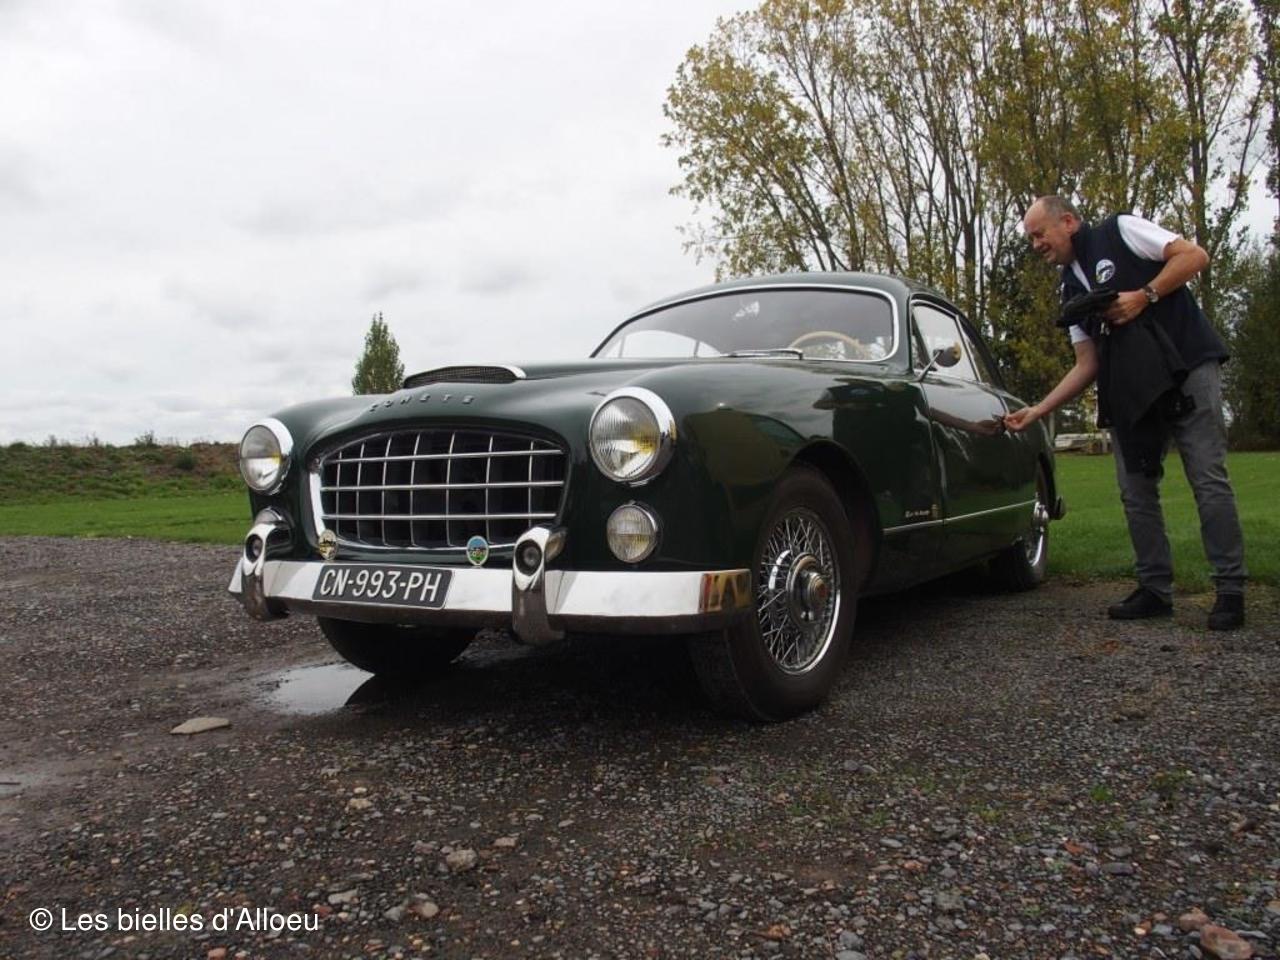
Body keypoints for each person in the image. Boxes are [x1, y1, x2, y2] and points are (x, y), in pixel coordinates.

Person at [1004, 195, 1246, 630]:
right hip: (1133, 388)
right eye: (1031, 239)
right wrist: (1037, 410)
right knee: (1135, 490)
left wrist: (1144, 296)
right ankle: (1154, 589)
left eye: (1039, 234)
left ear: (1069, 222)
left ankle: (1230, 591)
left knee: (1207, 478)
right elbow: (1087, 364)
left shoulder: (1120, 231)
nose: (1036, 244)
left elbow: (1195, 256)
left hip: (1187, 366)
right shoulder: (1070, 289)